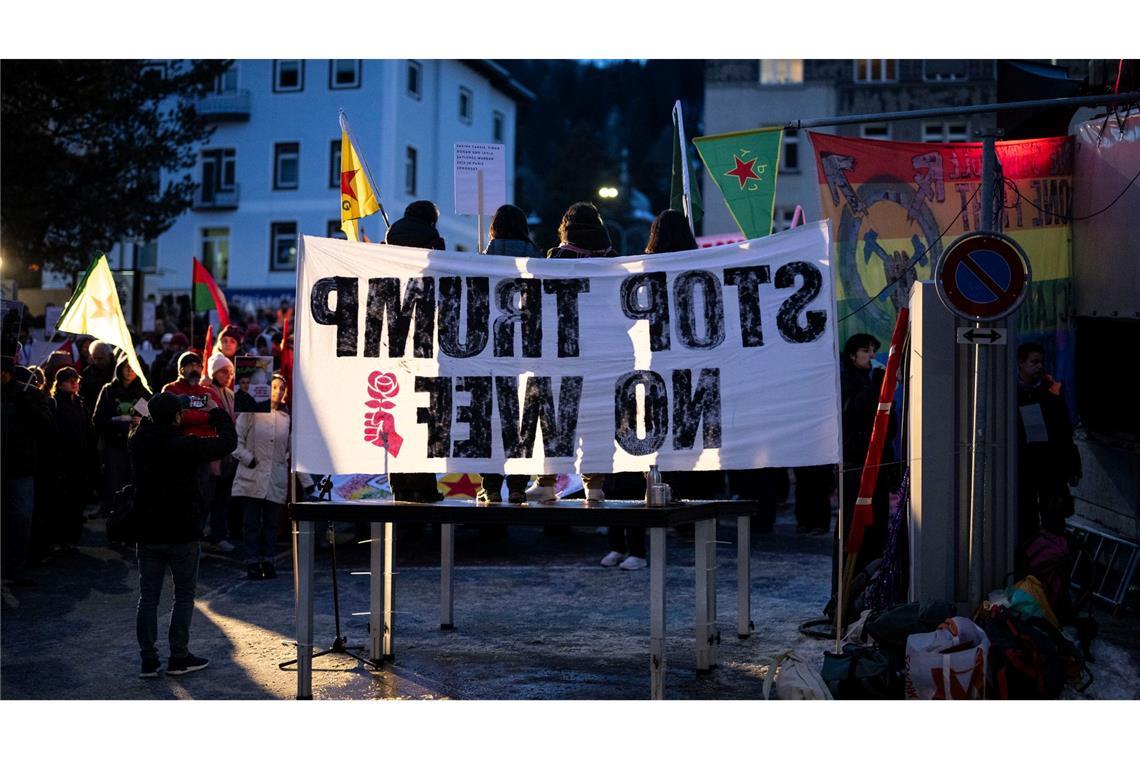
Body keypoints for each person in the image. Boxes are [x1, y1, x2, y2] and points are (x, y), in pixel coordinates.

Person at [130, 392, 237, 677]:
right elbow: (228, 442)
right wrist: (214, 412)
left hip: (148, 530)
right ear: (177, 417)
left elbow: (143, 427)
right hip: (181, 531)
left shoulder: (138, 441)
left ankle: (149, 660)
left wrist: (157, 412)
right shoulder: (185, 445)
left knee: (148, 596)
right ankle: (179, 656)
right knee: (184, 594)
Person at [528, 202, 616, 506]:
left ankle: (547, 482)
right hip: (604, 352)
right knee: (596, 420)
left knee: (553, 419)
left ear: (565, 225)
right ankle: (595, 486)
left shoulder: (556, 258)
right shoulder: (614, 260)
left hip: (561, 351)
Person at [382, 200, 446, 503]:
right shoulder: (435, 241)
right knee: (424, 421)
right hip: (425, 338)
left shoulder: (390, 237)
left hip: (393, 338)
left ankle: (400, 489)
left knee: (399, 415)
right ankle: (425, 489)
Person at [476, 204, 541, 504]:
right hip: (528, 352)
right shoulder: (539, 261)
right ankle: (517, 486)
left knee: (490, 417)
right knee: (522, 419)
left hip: (490, 352)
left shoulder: (481, 261)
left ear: (494, 228)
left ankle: (490, 486)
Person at [232, 375, 309, 579]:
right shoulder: (251, 413)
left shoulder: (286, 418)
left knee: (271, 523)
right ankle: (252, 561)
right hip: (252, 476)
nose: (278, 391)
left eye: (282, 388)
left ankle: (268, 559)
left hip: (275, 478)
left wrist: (307, 482)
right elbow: (235, 442)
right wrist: (248, 458)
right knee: (251, 523)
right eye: (274, 387)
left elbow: (294, 451)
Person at [1016, 341, 1081, 545]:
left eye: (1042, 362)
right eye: (1034, 362)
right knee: (1026, 519)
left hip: (1050, 467)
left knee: (1053, 519)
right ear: (1021, 363)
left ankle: (1049, 561)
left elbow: (1064, 433)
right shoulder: (1011, 394)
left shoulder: (1051, 393)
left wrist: (1072, 467)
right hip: (1024, 467)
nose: (1039, 367)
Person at [2, 362, 56, 585]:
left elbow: (48, 427)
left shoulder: (29, 394)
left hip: (19, 466)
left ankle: (16, 566)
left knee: (21, 518)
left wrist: (28, 408)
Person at [92, 356, 152, 519]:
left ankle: (130, 514)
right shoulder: (108, 390)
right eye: (125, 366)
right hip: (113, 443)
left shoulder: (144, 392)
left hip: (136, 445)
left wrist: (141, 422)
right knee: (112, 480)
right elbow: (98, 419)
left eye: (132, 367)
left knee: (132, 481)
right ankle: (109, 511)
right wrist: (118, 423)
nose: (129, 370)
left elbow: (153, 420)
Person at [48, 367, 98, 552]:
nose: (74, 382)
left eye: (76, 379)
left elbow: (87, 432)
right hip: (63, 461)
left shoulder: (79, 403)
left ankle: (71, 538)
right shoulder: (55, 404)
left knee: (77, 500)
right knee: (62, 501)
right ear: (60, 384)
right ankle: (59, 538)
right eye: (70, 380)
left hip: (80, 460)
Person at [203, 353, 238, 551]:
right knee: (207, 497)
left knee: (222, 498)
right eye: (224, 371)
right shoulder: (207, 392)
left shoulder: (231, 394)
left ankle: (219, 535)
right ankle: (201, 535)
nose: (228, 375)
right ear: (214, 372)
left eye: (231, 372)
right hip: (212, 453)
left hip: (228, 453)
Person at [80, 340, 116, 415]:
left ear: (109, 355)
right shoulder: (88, 372)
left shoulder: (118, 371)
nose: (97, 362)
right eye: (94, 358)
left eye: (100, 358)